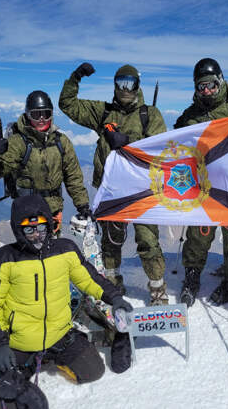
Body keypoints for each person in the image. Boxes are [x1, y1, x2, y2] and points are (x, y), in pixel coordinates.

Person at [0, 195, 133, 408]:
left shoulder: (65, 250)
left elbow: (90, 278)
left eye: (41, 227)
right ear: (17, 230)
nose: (36, 235)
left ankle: (51, 358)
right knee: (7, 399)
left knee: (93, 371)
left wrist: (115, 298)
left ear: (49, 226)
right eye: (29, 229)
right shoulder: (5, 260)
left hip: (59, 333)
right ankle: (25, 368)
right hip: (19, 341)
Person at [59, 62, 169, 305]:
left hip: (142, 189)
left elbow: (159, 153)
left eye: (130, 83)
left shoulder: (150, 115)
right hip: (111, 188)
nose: (125, 89)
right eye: (120, 83)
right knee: (111, 241)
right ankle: (113, 283)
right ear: (115, 86)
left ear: (137, 85)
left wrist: (127, 142)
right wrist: (75, 77)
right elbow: (68, 105)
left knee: (148, 240)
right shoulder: (103, 112)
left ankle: (158, 289)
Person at [176, 58, 228, 308]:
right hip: (202, 188)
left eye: (212, 85)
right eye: (201, 86)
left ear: (221, 81)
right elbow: (174, 145)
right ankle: (192, 276)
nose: (207, 91)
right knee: (198, 234)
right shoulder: (189, 117)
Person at [0, 90, 91, 235]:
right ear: (28, 115)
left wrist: (82, 205)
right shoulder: (17, 143)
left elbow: (73, 176)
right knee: (30, 252)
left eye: (46, 113)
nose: (42, 119)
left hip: (53, 211)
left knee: (52, 252)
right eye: (36, 114)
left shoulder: (62, 142)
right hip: (26, 209)